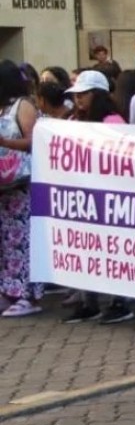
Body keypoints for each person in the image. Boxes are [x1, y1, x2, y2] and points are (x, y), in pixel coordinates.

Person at [59, 71, 135, 325]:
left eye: (83, 94)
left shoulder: (113, 121)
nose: (79, 100)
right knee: (85, 247)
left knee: (113, 248)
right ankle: (88, 301)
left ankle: (119, 301)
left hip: (110, 194)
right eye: (76, 95)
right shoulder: (76, 119)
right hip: (84, 194)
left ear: (97, 94)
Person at [0, 60, 41, 318]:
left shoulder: (22, 106)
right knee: (7, 242)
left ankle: (28, 294)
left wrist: (5, 142)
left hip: (21, 185)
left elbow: (35, 141)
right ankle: (9, 291)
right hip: (4, 188)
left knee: (23, 240)